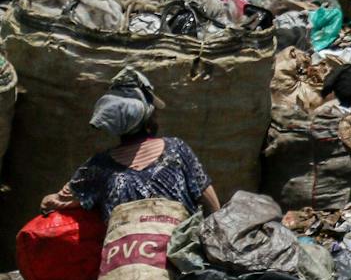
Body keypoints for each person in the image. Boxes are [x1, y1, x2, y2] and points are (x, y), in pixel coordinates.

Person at [40, 69, 221, 218]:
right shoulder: (176, 149)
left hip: (122, 259)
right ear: (150, 115)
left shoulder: (96, 168)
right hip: (177, 257)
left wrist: (50, 200)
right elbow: (213, 206)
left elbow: (55, 201)